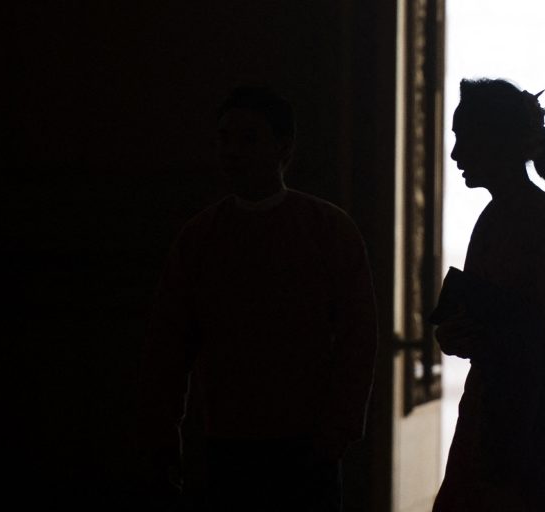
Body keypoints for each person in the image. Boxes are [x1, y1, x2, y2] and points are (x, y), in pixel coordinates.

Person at [138, 86, 379, 511]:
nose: (231, 152)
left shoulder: (328, 230)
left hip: (307, 444)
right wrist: (163, 435)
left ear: (284, 148)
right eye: (224, 140)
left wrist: (336, 433)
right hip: (228, 441)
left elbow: (359, 340)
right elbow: (168, 346)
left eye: (247, 139)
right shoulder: (200, 237)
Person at [432, 78, 545, 511]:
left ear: (495, 142)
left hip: (525, 422)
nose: (456, 155)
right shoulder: (505, 217)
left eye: (464, 139)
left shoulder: (536, 220)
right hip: (503, 414)